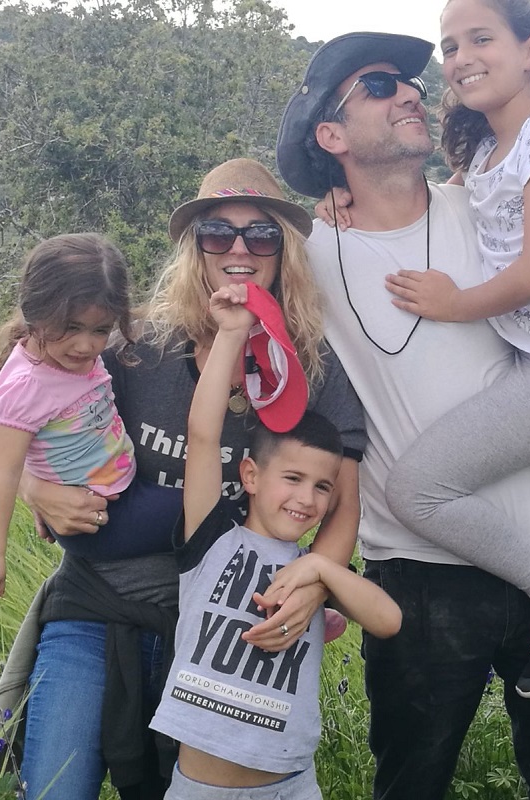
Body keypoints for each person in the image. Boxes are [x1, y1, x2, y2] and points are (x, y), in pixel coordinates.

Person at [276, 31, 530, 800]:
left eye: (412, 82)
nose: (409, 92)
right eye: (378, 85)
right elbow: (217, 269)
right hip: (419, 575)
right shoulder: (305, 253)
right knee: (410, 784)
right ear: (331, 135)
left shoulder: (487, 209)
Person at [11, 159, 366, 800]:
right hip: (97, 604)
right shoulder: (133, 345)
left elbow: (343, 504)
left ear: (284, 250)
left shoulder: (312, 366)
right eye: (217, 232)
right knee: (56, 785)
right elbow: (22, 406)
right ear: (195, 247)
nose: (239, 249)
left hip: (219, 630)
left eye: (262, 234)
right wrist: (35, 489)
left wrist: (315, 583)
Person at [377, 0, 530, 700]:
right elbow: (440, 208)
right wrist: (341, 203)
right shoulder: (483, 149)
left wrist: (453, 303)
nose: (461, 57)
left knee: (417, 490)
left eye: (480, 38)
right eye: (449, 46)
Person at [150, 281, 401, 800]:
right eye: (293, 479)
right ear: (250, 475)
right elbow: (203, 433)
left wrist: (324, 570)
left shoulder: (315, 573)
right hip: (199, 789)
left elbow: (388, 621)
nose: (307, 498)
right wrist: (232, 333)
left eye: (322, 487)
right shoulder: (211, 540)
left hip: (290, 787)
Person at [0, 233, 135, 597]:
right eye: (71, 327)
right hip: (89, 515)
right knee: (199, 516)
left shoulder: (71, 360)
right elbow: (4, 470)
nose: (86, 345)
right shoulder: (27, 386)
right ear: (35, 312)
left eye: (101, 330)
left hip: (116, 488)